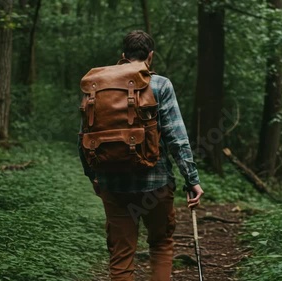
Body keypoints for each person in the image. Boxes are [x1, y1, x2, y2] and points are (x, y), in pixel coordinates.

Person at [78, 30, 204, 281]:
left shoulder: (95, 84)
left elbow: (82, 137)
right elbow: (176, 137)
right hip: (156, 184)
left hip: (113, 184)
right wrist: (192, 179)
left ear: (123, 56)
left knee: (121, 254)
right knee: (160, 244)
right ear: (151, 56)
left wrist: (93, 175)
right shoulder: (160, 84)